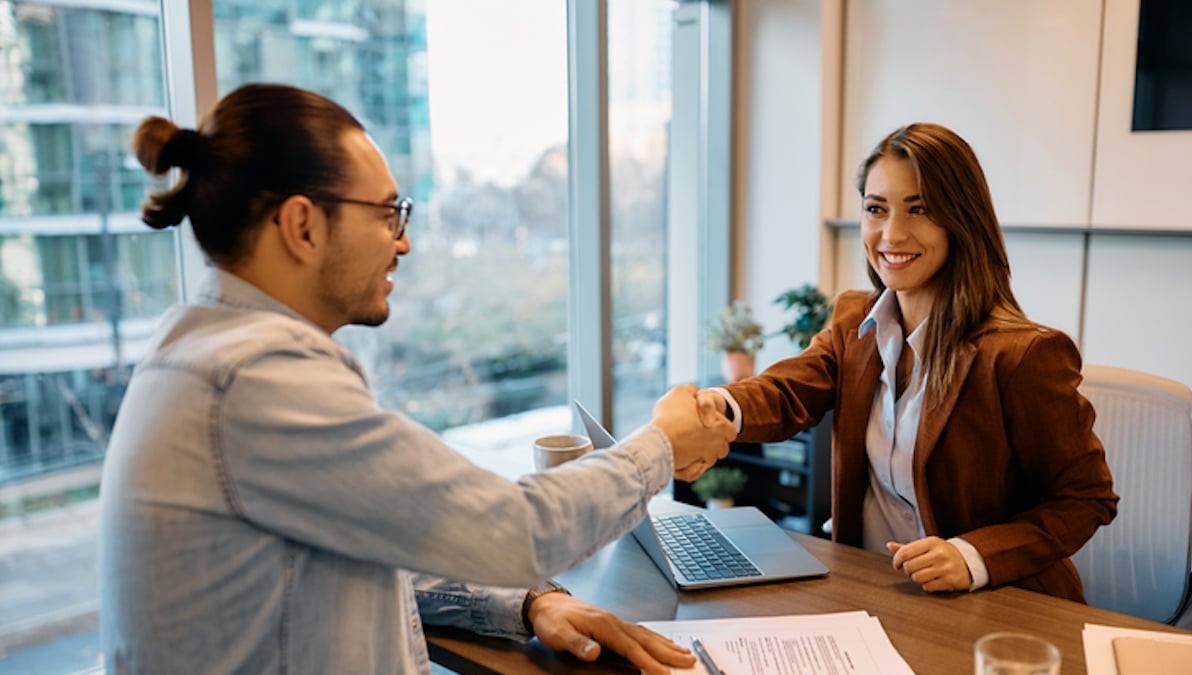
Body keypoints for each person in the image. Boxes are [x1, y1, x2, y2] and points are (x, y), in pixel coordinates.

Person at [99, 83, 735, 674]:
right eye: (387, 213)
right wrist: (663, 444)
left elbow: (380, 534)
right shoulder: (256, 379)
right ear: (302, 226)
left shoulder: (199, 352)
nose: (401, 243)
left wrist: (526, 604)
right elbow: (521, 529)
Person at [694, 122, 1117, 602]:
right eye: (876, 209)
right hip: (877, 595)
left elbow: (1086, 498)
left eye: (919, 209)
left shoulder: (1022, 355)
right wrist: (711, 408)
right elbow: (787, 391)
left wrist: (971, 555)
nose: (891, 234)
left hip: (998, 608)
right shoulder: (856, 322)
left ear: (961, 218)